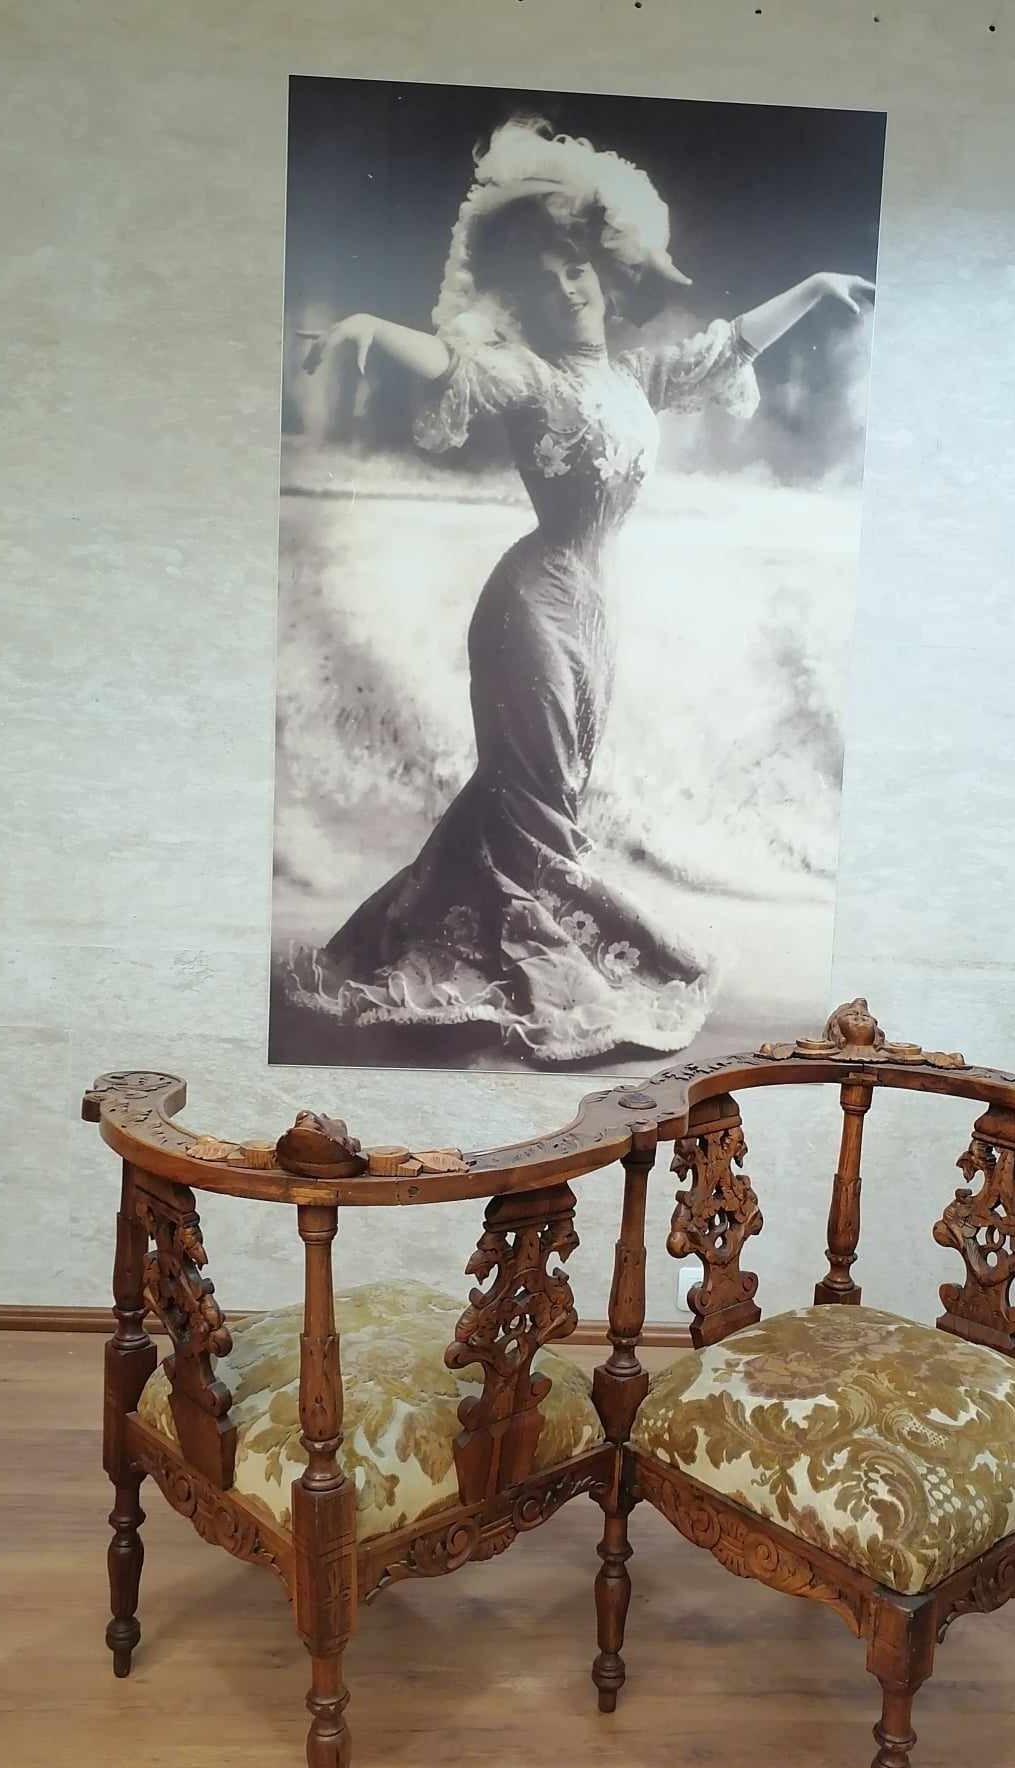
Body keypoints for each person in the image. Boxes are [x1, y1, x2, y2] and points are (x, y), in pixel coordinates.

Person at [288, 117, 873, 1065]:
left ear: (603, 274)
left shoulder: (640, 376)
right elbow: (451, 363)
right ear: (524, 303)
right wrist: (366, 328)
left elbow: (731, 343)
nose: (568, 290)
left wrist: (812, 286)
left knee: (538, 791)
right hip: (527, 607)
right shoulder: (527, 376)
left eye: (576, 271)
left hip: (594, 611)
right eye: (545, 282)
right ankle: (535, 969)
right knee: (532, 804)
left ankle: (407, 931)